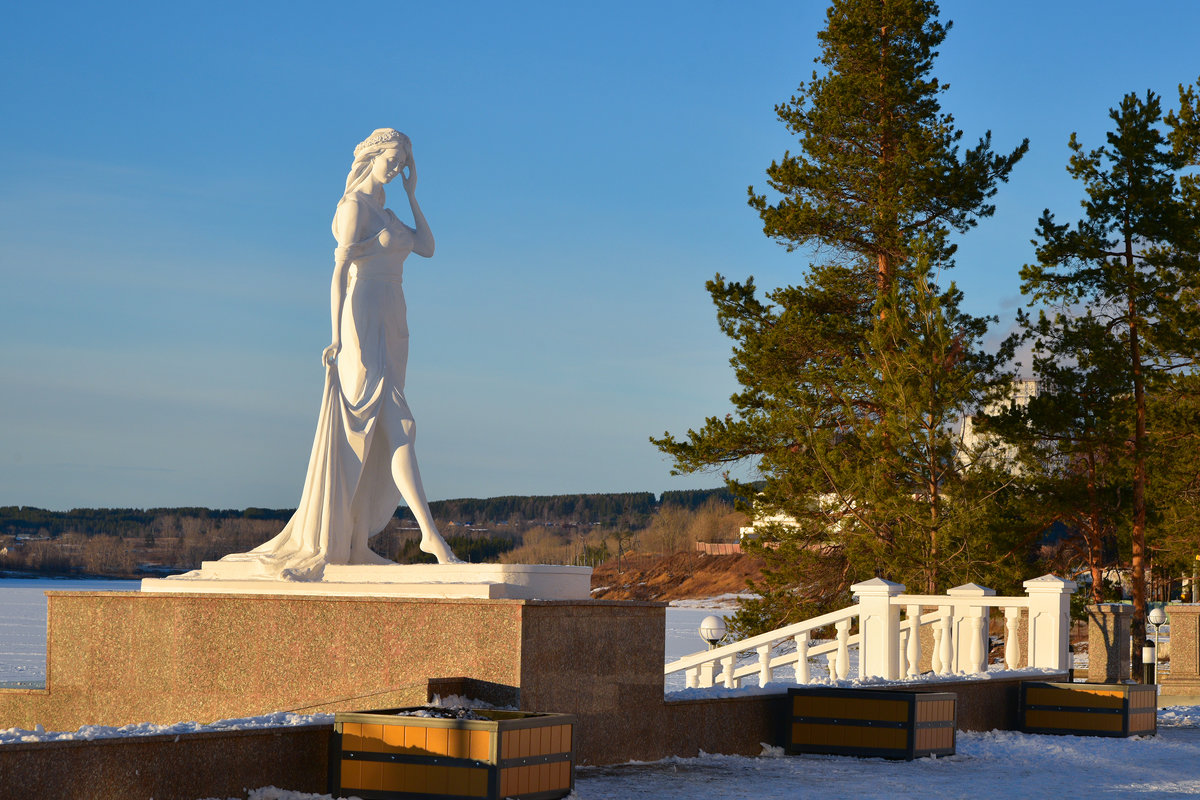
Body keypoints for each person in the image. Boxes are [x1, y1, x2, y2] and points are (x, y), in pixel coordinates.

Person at [221, 128, 461, 579]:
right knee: (375, 425)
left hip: (393, 319)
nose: (396, 168)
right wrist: (334, 337)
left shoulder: (388, 212)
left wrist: (412, 195)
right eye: (392, 159)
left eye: (402, 163)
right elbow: (338, 274)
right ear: (373, 155)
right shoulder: (353, 209)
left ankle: (354, 540)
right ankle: (423, 533)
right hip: (361, 318)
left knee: (388, 428)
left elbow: (427, 247)